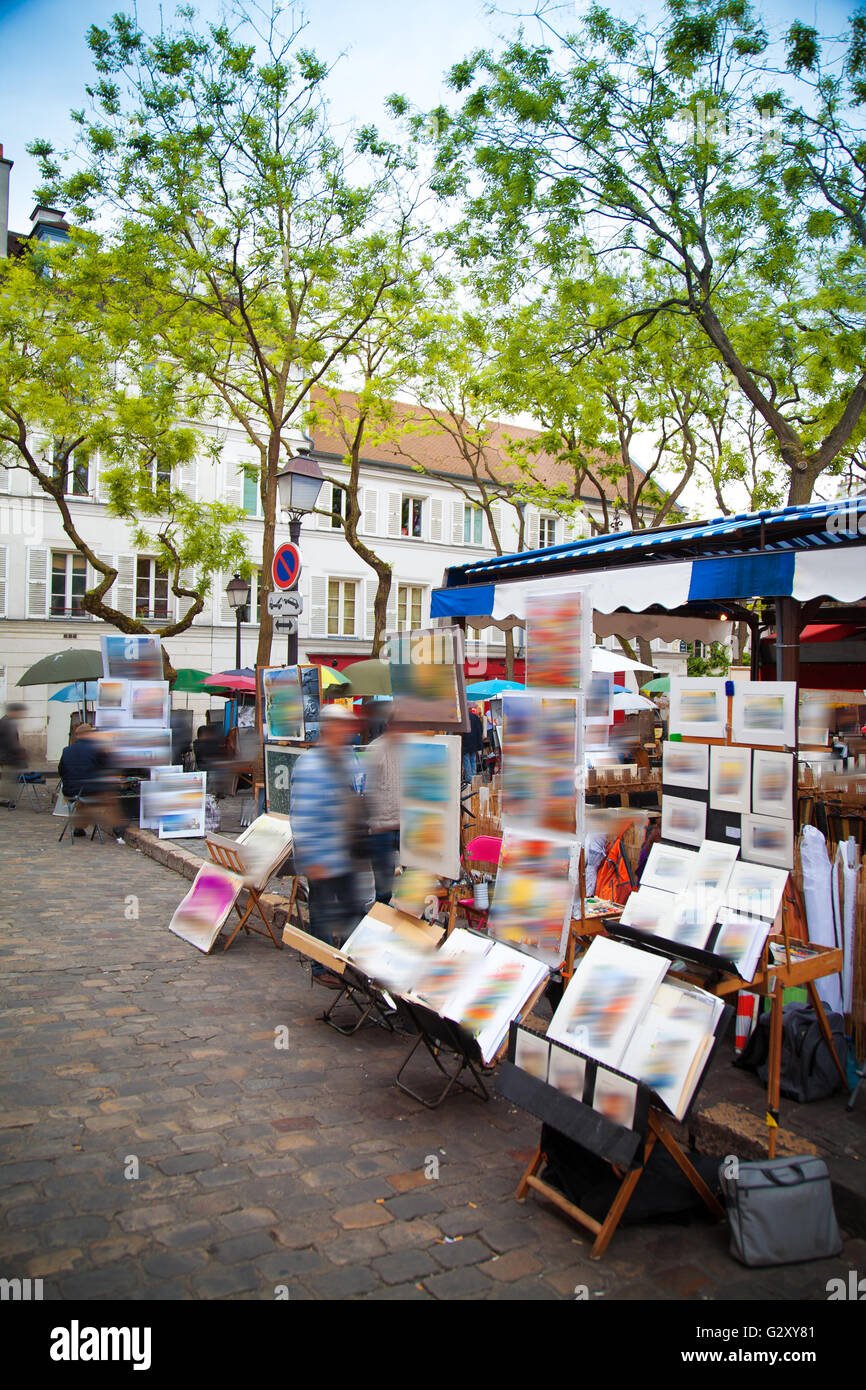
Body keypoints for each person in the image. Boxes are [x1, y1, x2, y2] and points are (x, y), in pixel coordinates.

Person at [290, 704, 366, 984]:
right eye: (343, 727)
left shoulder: (347, 758)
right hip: (322, 855)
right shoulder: (309, 764)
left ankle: (348, 964)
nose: (348, 732)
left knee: (353, 910)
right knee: (323, 911)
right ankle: (322, 968)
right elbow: (301, 814)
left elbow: (359, 790)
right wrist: (311, 856)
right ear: (330, 728)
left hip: (345, 851)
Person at [58, 724, 124, 840]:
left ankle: (79, 827)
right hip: (89, 789)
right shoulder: (97, 749)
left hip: (69, 791)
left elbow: (61, 771)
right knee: (110, 796)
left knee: (82, 798)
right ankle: (117, 827)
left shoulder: (67, 750)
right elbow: (107, 767)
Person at [362, 705, 400, 904]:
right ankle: (380, 925)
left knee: (412, 889)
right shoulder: (376, 748)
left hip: (407, 826)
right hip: (382, 828)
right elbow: (369, 790)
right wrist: (376, 822)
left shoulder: (413, 748)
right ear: (390, 725)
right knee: (383, 890)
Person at [0, 702, 28, 807]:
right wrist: (20, 752)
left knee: (7, 778)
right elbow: (11, 741)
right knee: (8, 779)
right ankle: (5, 800)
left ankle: (5, 799)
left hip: (6, 756)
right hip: (8, 756)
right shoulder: (7, 723)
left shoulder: (5, 721)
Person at [461, 704, 484, 783]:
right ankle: (473, 778)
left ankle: (469, 779)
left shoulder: (462, 717)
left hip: (465, 742)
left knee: (467, 761)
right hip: (474, 742)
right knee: (473, 760)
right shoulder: (475, 717)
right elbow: (480, 730)